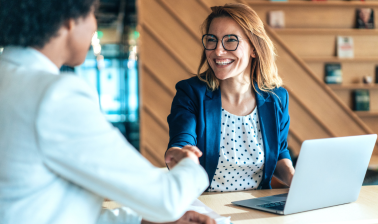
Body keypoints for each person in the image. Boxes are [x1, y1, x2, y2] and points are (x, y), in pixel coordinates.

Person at [0, 0, 215, 224]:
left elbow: (42, 206)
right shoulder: (55, 95)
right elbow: (167, 201)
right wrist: (190, 163)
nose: (95, 25)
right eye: (93, 14)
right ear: (69, 21)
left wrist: (142, 221)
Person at [165, 3, 295, 192]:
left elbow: (280, 151)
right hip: (206, 207)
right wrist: (179, 154)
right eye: (212, 40)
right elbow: (181, 141)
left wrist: (293, 177)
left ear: (254, 48)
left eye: (231, 40)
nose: (218, 51)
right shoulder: (191, 92)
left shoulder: (277, 98)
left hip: (258, 206)